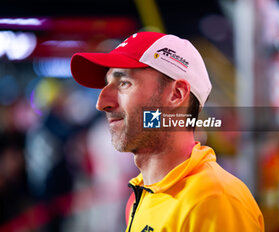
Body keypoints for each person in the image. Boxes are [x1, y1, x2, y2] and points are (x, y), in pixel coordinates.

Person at [70, 31, 264, 232]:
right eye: (107, 83)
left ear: (176, 94)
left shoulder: (215, 201)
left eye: (124, 83)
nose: (101, 103)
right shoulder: (143, 194)